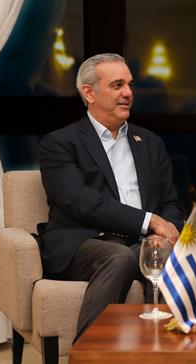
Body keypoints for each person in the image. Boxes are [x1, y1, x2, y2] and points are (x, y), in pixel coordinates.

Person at [38, 53, 184, 340]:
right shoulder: (60, 143)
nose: (128, 93)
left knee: (165, 255)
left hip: (139, 242)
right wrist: (149, 221)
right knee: (119, 257)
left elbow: (170, 201)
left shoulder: (150, 142)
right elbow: (80, 201)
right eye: (117, 85)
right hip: (83, 242)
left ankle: (167, 357)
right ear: (88, 93)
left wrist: (163, 233)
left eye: (129, 85)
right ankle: (89, 358)